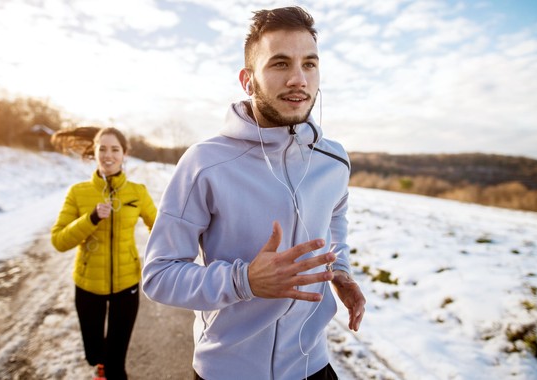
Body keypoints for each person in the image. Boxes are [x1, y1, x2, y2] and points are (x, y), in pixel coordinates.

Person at [142, 6, 366, 380]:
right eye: (280, 64)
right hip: (227, 371)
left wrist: (340, 270)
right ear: (248, 80)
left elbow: (335, 217)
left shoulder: (334, 160)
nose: (299, 79)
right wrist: (243, 281)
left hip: (313, 366)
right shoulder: (205, 163)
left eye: (309, 64)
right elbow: (159, 275)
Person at [51, 127, 157, 380]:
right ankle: (100, 364)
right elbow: (59, 241)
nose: (108, 155)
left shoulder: (137, 192)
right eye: (102, 149)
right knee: (95, 352)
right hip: (88, 285)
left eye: (115, 149)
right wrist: (91, 218)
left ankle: (110, 370)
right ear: (94, 152)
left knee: (116, 362)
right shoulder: (78, 192)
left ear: (124, 154)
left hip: (126, 285)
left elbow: (159, 228)